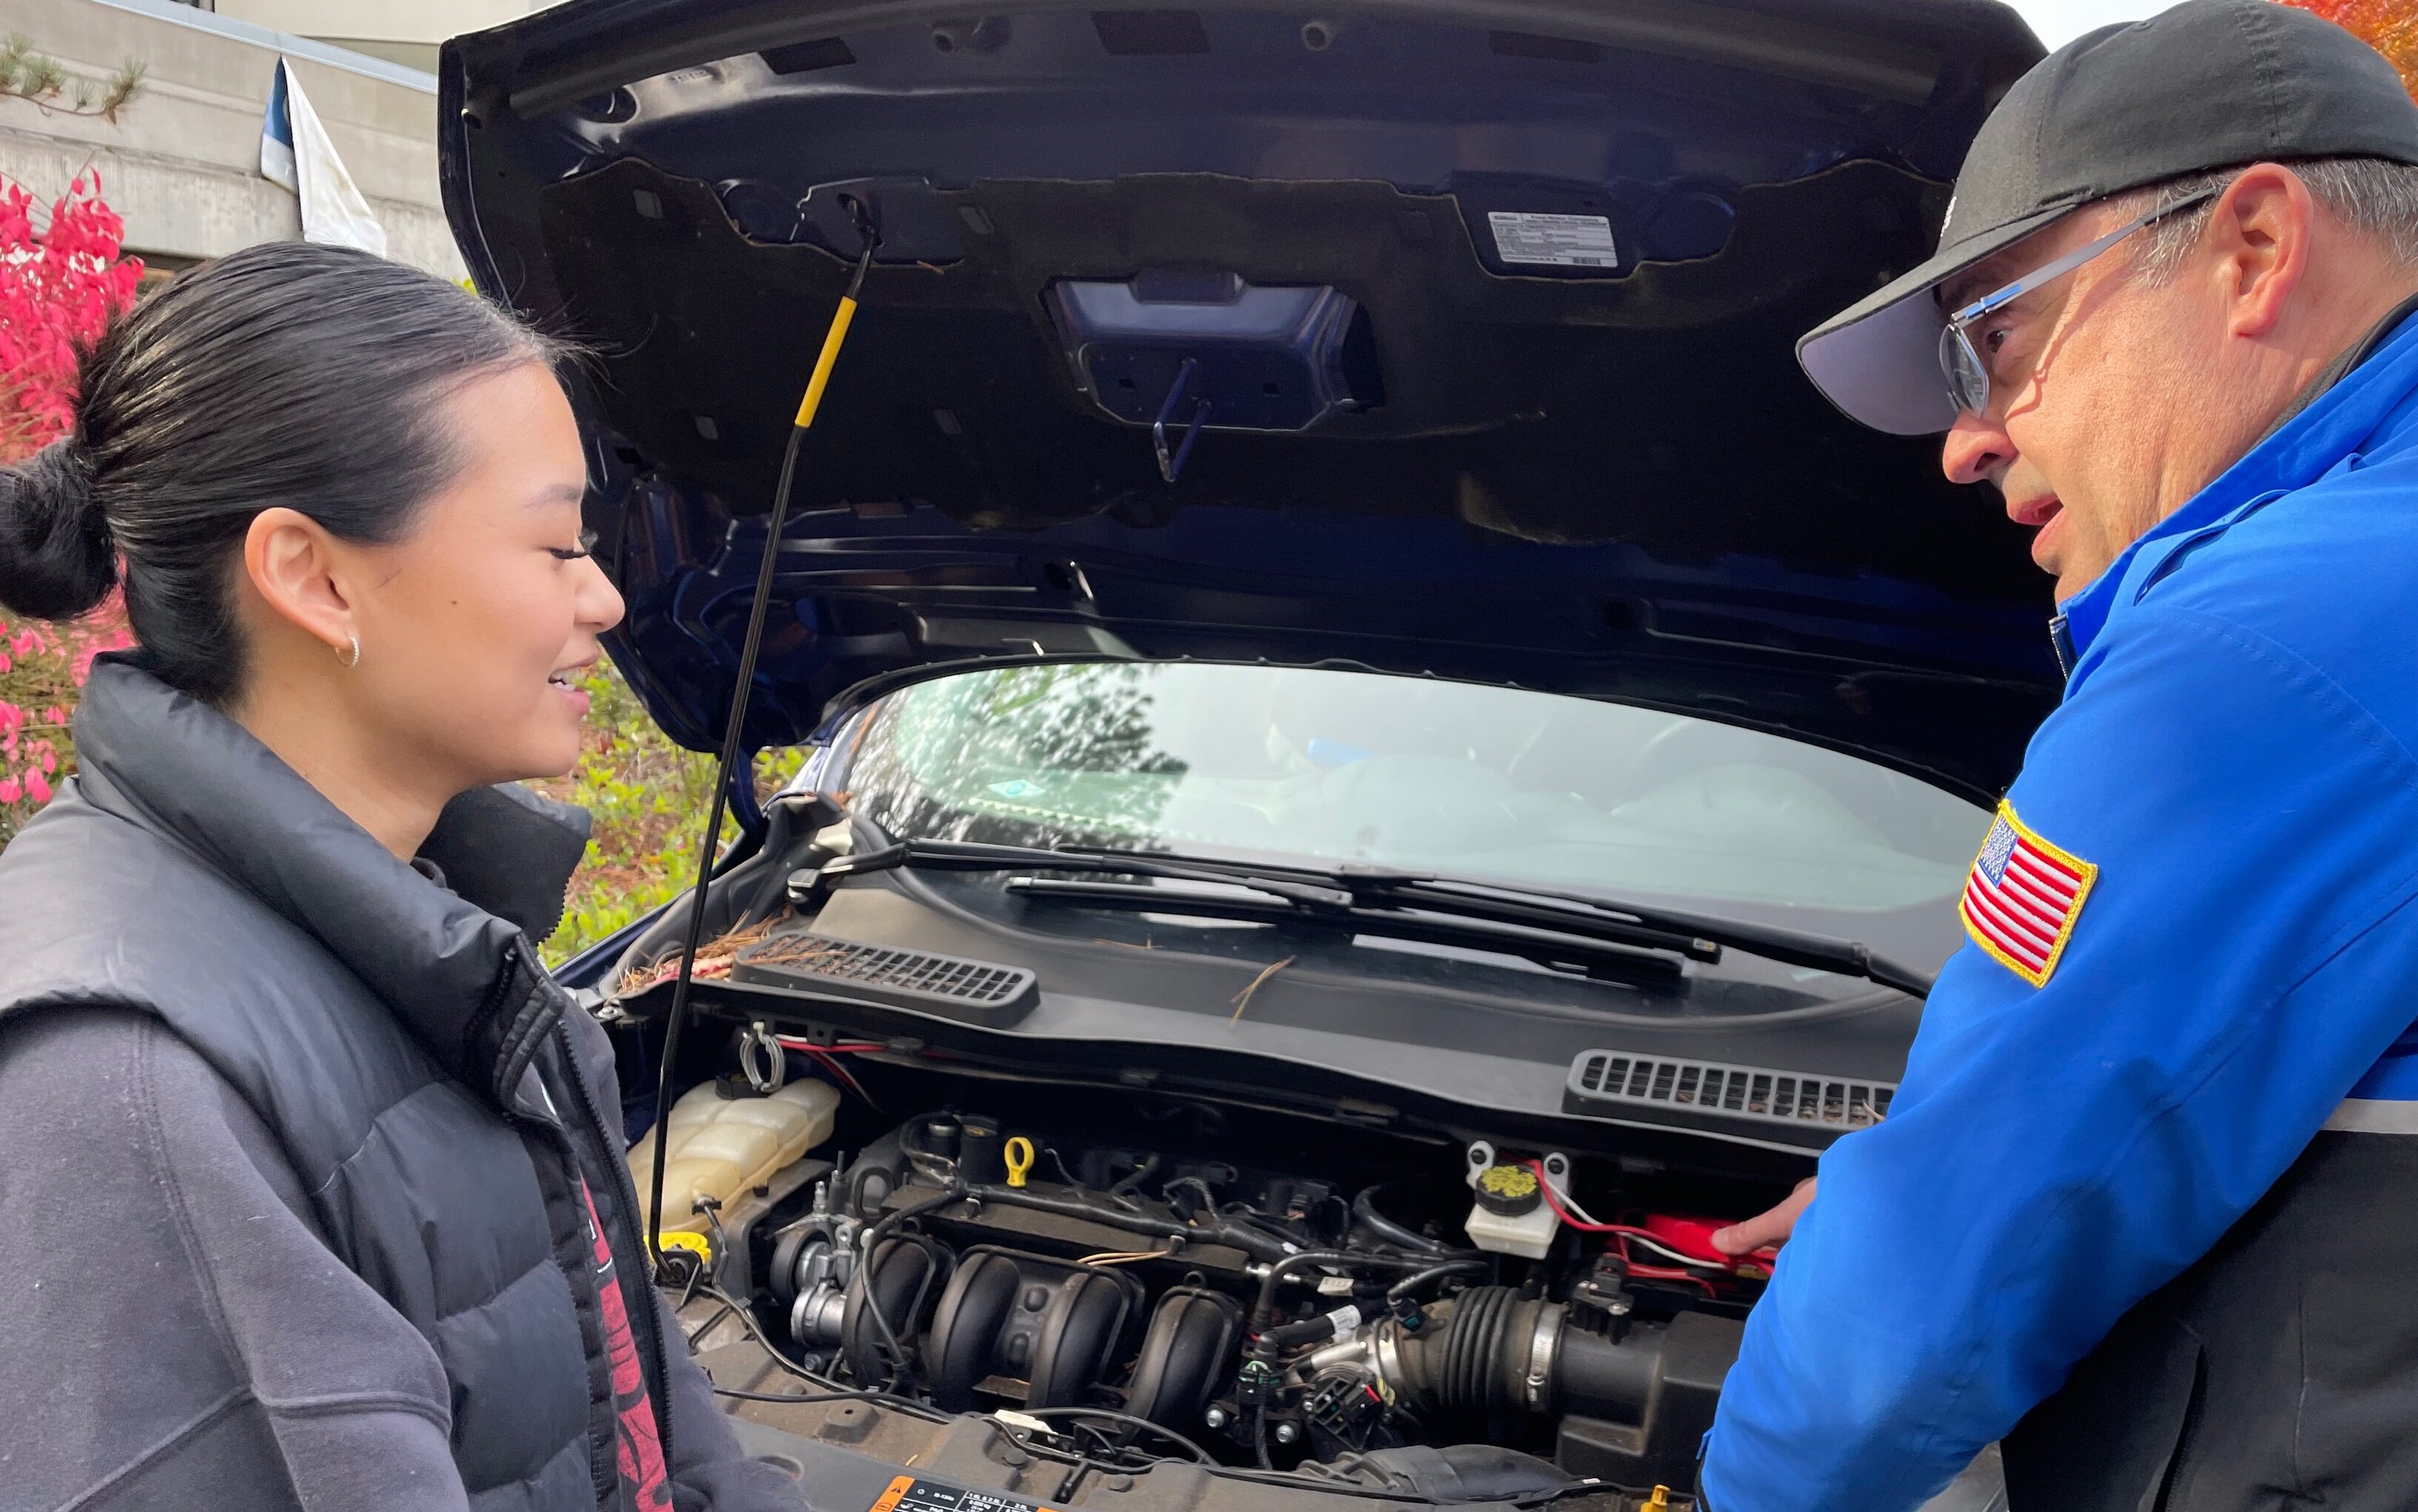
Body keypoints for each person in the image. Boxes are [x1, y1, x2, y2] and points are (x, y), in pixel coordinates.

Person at [1697, 1, 2418, 1507]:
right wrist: (1906, 1189)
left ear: (2255, 250)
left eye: (1997, 339)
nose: (1968, 441)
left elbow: (1887, 1348)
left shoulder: (2275, 635)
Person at [0, 243, 798, 1511]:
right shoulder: (132, 1088)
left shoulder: (436, 921)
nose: (605, 597)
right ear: (313, 577)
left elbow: (644, 1413)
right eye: (555, 546)